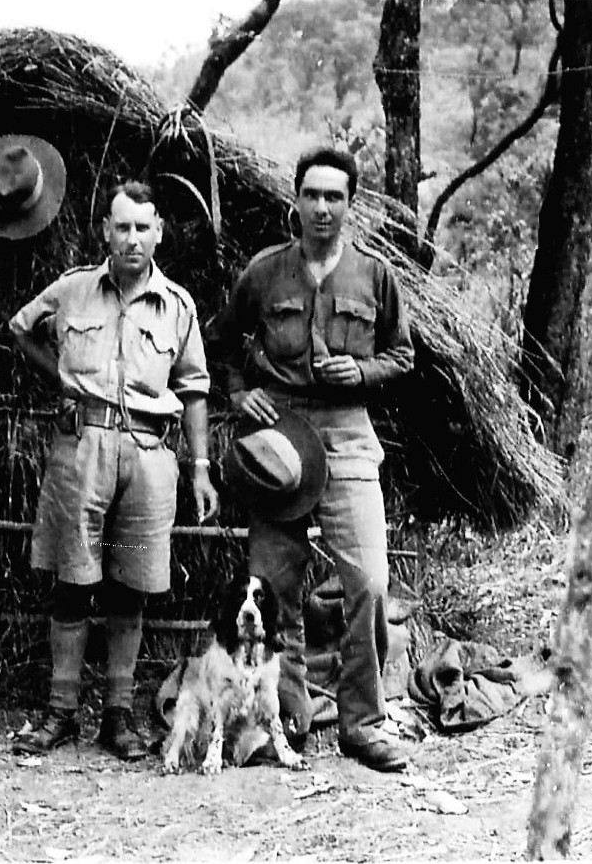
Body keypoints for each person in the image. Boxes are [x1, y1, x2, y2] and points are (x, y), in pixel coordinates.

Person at [207, 147, 414, 772]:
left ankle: (363, 724)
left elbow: (403, 356)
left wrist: (363, 369)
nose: (323, 207)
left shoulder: (374, 276)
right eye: (312, 195)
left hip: (348, 430)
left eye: (335, 197)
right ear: (295, 201)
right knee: (274, 586)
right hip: (281, 437)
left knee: (369, 580)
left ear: (351, 206)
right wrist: (242, 394)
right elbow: (220, 342)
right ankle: (285, 723)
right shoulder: (266, 273)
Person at [9, 181, 219, 761]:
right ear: (106, 230)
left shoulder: (177, 306)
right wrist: (62, 377)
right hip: (83, 447)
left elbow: (195, 389)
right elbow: (19, 328)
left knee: (132, 588)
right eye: (121, 227)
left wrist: (200, 468)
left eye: (142, 228)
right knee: (73, 582)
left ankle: (119, 716)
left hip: (150, 453)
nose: (132, 239)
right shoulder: (74, 290)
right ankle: (61, 711)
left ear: (158, 233)